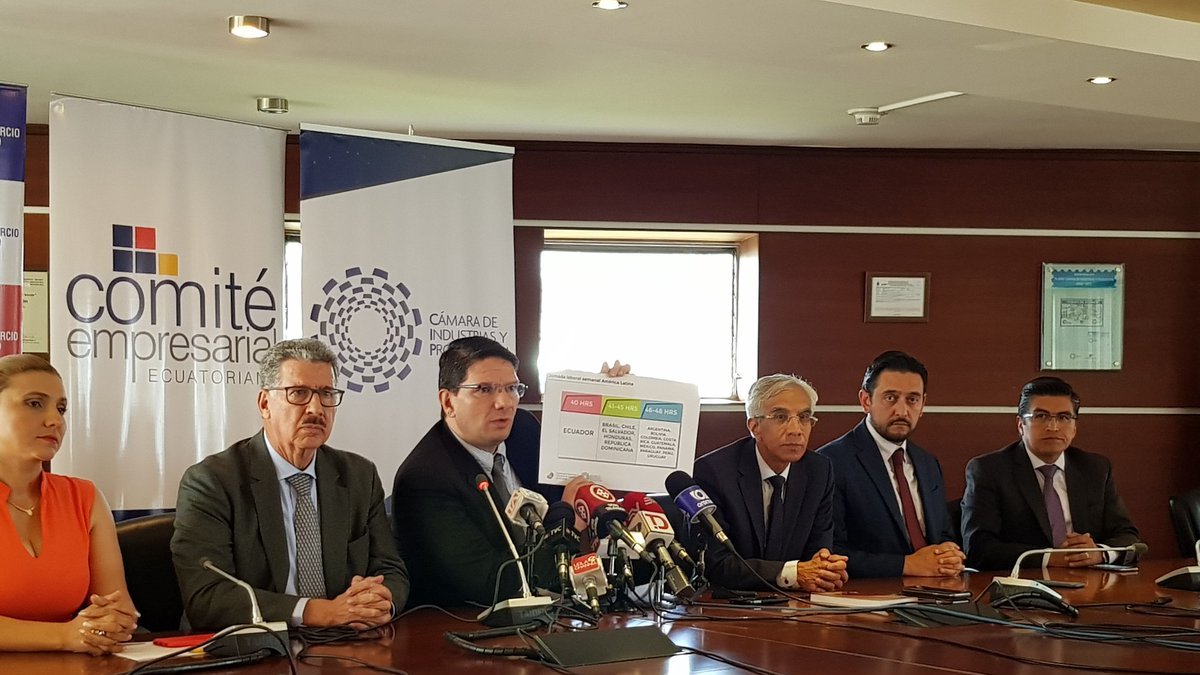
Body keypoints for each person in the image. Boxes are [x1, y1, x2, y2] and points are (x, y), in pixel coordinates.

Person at [172, 339, 408, 630]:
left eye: (326, 394)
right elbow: (207, 596)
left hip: (345, 638)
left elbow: (390, 569)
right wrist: (317, 612)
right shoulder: (213, 482)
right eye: (298, 393)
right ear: (265, 404)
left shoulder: (359, 476)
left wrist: (378, 601)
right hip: (252, 644)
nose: (316, 408)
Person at [392, 337, 560, 606]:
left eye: (511, 388)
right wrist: (568, 526)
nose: (504, 403)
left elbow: (568, 489)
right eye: (484, 389)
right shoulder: (425, 479)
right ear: (448, 402)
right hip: (468, 620)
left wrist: (607, 396)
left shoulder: (523, 430)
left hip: (551, 609)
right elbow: (494, 582)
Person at [0, 354, 137, 654]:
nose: (56, 420)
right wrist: (64, 636)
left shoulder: (84, 497)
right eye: (34, 403)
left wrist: (112, 623)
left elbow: (119, 607)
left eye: (61, 409)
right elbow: (74, 635)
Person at [962, 376, 1141, 571]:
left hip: (1089, 581)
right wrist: (1050, 558)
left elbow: (1128, 536)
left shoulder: (1095, 468)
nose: (1053, 427)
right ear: (1021, 425)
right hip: (1024, 582)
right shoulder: (989, 470)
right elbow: (978, 548)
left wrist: (1099, 552)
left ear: (1074, 428)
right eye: (1041, 416)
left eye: (1064, 418)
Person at [693, 374, 848, 592]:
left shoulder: (818, 470)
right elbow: (717, 564)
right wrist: (792, 573)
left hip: (795, 602)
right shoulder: (714, 473)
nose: (796, 430)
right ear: (754, 426)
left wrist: (825, 569)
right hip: (732, 602)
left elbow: (818, 550)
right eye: (781, 417)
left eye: (804, 417)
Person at [816, 351, 964, 578]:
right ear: (866, 401)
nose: (902, 411)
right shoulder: (830, 462)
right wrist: (906, 565)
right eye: (890, 398)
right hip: (871, 592)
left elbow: (943, 533)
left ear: (923, 404)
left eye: (912, 400)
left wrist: (948, 552)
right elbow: (829, 552)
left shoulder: (928, 463)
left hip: (936, 588)